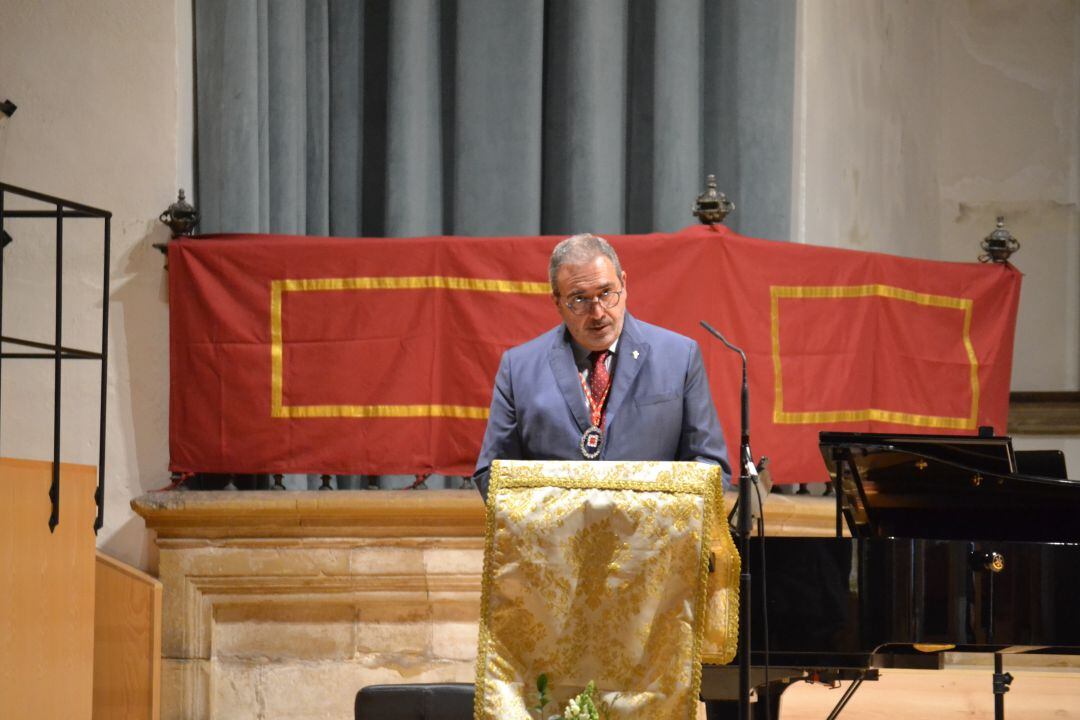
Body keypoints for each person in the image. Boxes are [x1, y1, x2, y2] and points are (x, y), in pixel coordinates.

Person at [472, 233, 730, 499]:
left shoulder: (679, 357)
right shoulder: (518, 368)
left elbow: (711, 467)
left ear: (624, 284)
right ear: (557, 302)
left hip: (650, 538)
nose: (598, 314)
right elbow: (493, 474)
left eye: (606, 293)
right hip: (558, 538)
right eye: (579, 299)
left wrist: (652, 518)